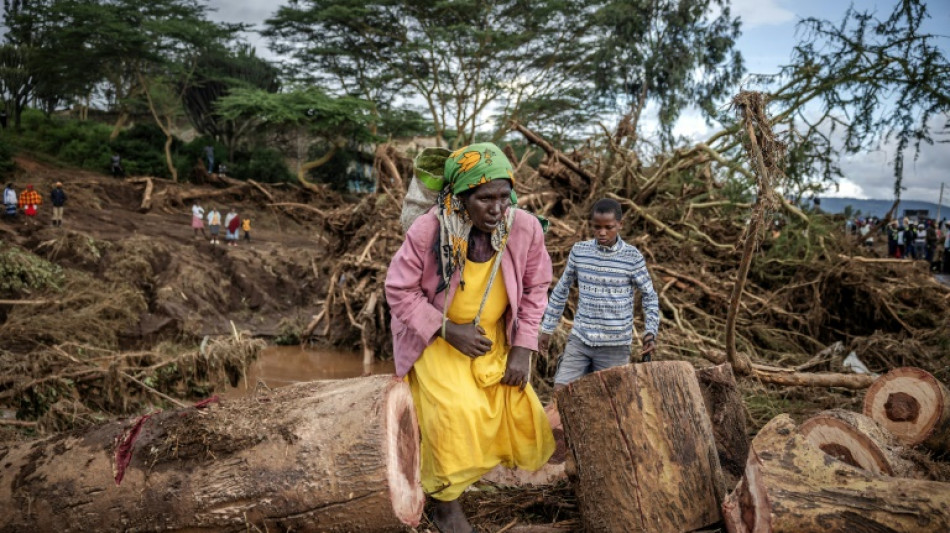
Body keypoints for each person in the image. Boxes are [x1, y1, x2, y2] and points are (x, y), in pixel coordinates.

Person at [385, 142, 554, 533]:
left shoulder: (523, 227)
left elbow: (536, 286)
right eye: (484, 199)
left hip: (491, 335)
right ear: (460, 199)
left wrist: (523, 348)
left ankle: (463, 478)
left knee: (514, 405)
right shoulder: (429, 229)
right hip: (435, 339)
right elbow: (398, 290)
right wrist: (447, 329)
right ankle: (446, 504)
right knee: (452, 413)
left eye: (503, 197)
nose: (497, 209)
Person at [538, 198, 660, 390]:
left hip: (615, 346)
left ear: (620, 225)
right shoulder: (580, 251)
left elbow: (650, 297)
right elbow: (561, 291)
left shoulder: (632, 257)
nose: (602, 233)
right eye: (597, 227)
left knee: (612, 405)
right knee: (561, 394)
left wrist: (650, 332)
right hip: (581, 340)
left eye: (609, 227)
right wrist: (546, 329)